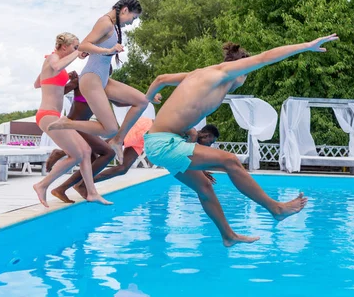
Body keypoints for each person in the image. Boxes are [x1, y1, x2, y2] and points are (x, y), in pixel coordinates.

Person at [143, 34, 339, 247]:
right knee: (231, 161)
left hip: (162, 142)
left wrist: (148, 98)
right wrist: (307, 45)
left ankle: (228, 235)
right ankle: (276, 208)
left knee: (204, 187)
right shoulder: (223, 73)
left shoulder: (200, 75)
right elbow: (266, 57)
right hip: (164, 144)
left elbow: (161, 79)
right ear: (240, 70)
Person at [48, 0, 158, 161]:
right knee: (110, 128)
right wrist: (107, 51)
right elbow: (83, 44)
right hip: (91, 79)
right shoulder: (105, 22)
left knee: (142, 101)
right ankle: (67, 123)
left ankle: (118, 141)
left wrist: (93, 50)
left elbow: (87, 49)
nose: (131, 22)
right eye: (133, 18)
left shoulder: (111, 26)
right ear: (125, 10)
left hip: (102, 79)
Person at [32, 32, 112, 207]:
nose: (77, 50)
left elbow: (37, 84)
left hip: (53, 115)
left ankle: (92, 192)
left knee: (85, 151)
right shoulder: (53, 57)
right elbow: (57, 65)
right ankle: (42, 185)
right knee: (76, 155)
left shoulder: (54, 65)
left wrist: (57, 83)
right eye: (75, 47)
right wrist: (79, 52)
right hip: (47, 115)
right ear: (64, 46)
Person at [71, 123, 221, 200]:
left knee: (122, 168)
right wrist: (202, 172)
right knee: (103, 149)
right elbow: (187, 159)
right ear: (206, 135)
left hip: (147, 139)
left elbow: (186, 160)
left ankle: (85, 184)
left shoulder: (193, 138)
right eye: (211, 141)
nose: (209, 144)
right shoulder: (193, 134)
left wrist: (202, 171)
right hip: (145, 129)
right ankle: (64, 151)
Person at [46, 70, 117, 204]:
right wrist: (70, 82)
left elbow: (121, 101)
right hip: (73, 125)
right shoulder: (81, 81)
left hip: (83, 127)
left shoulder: (101, 88)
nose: (104, 77)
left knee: (93, 159)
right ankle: (74, 185)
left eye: (107, 75)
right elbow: (58, 93)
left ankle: (63, 185)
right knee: (108, 153)